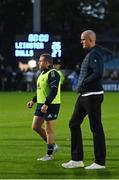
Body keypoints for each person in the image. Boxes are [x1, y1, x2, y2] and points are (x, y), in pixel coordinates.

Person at [62, 30, 106, 169]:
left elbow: (98, 72)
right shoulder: (90, 54)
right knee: (73, 123)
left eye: (83, 39)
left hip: (92, 95)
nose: (81, 42)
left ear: (91, 40)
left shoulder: (95, 54)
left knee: (96, 128)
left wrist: (84, 82)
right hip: (84, 95)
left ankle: (99, 162)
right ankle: (77, 160)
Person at [27, 53, 61, 161]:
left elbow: (53, 91)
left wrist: (46, 104)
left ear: (47, 62)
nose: (38, 63)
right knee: (35, 126)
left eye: (40, 61)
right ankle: (53, 145)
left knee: (48, 129)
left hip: (51, 104)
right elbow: (41, 90)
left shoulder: (53, 73)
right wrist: (33, 100)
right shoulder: (42, 74)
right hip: (41, 104)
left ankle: (49, 155)